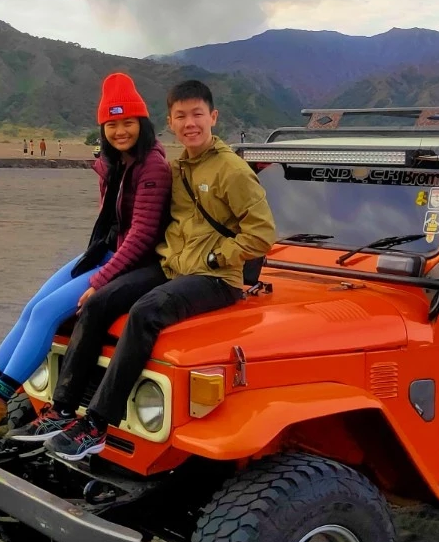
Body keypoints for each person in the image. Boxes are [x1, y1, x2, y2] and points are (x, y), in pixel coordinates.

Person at [16, 80, 276, 460]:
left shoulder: (231, 170)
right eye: (181, 116)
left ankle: (97, 425)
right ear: (170, 122)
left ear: (213, 117)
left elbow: (263, 234)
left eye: (197, 114)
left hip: (214, 279)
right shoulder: (179, 167)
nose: (190, 123)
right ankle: (63, 409)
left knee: (145, 312)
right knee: (98, 302)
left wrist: (216, 259)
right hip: (173, 266)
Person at [0, 73, 171, 434]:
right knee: (31, 307)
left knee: (46, 313)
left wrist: (100, 281)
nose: (120, 131)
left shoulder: (152, 166)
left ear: (142, 123)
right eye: (111, 124)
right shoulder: (115, 162)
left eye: (127, 122)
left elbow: (143, 235)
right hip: (103, 251)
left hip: (128, 260)